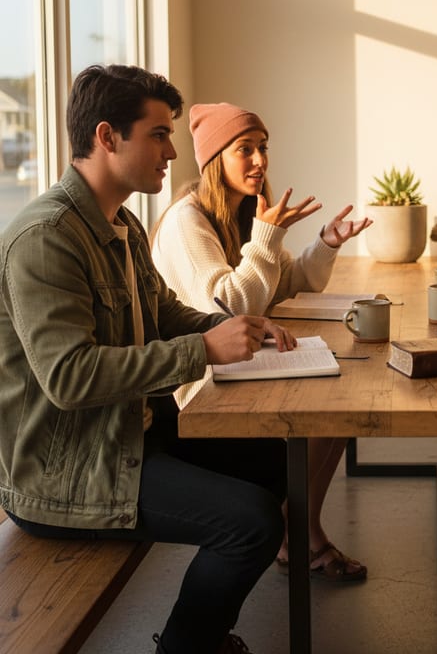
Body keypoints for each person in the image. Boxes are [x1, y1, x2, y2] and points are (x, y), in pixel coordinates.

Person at [0, 65, 300, 654]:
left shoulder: (123, 224)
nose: (171, 151)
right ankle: (189, 645)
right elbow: (69, 377)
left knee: (272, 459)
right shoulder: (46, 237)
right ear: (108, 137)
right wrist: (204, 350)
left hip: (126, 433)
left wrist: (232, 326)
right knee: (253, 523)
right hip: (68, 471)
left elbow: (163, 312)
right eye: (159, 134)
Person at [151, 101, 372, 582]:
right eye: (244, 149)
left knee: (339, 405)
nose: (259, 160)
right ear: (214, 160)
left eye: (262, 148)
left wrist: (326, 244)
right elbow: (231, 306)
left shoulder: (239, 209)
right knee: (328, 408)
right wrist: (268, 235)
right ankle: (301, 536)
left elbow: (283, 280)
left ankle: (303, 532)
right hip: (198, 382)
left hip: (236, 362)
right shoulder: (188, 222)